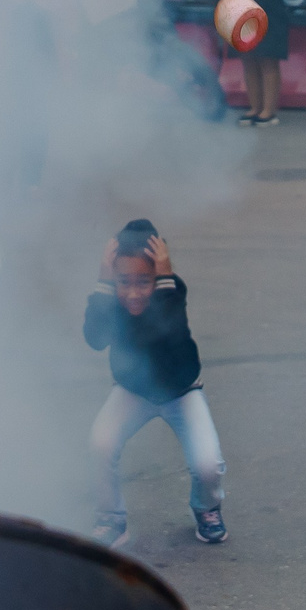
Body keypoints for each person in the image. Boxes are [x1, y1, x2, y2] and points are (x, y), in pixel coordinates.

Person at [85, 219, 225, 549]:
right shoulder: (111, 298)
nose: (133, 292)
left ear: (159, 276)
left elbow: (167, 331)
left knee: (207, 465)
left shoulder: (171, 293)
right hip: (133, 391)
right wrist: (104, 283)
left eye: (144, 281)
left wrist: (164, 278)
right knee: (100, 444)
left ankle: (206, 508)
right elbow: (95, 338)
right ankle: (111, 518)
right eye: (124, 282)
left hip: (181, 392)